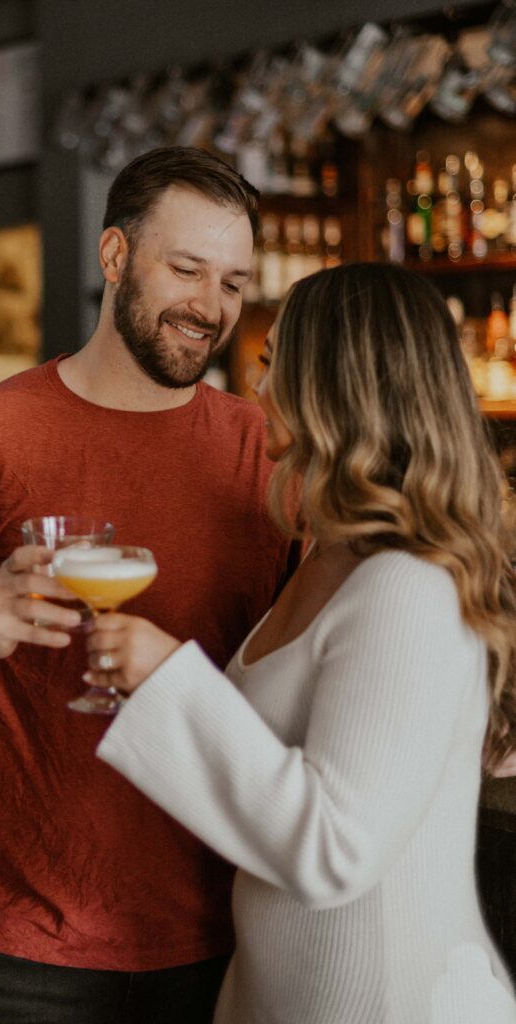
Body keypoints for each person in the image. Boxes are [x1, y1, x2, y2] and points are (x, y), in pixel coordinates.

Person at [0, 147, 289, 1023]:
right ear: (114, 256)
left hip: (230, 933)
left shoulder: (268, 453)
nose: (211, 308)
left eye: (233, 283)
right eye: (187, 270)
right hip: (23, 952)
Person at [88, 262, 516, 1024]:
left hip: (378, 1000)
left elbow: (337, 848)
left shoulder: (404, 588)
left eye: (272, 359)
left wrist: (166, 679)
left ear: (334, 381)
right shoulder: (331, 559)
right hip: (286, 990)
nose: (256, 386)